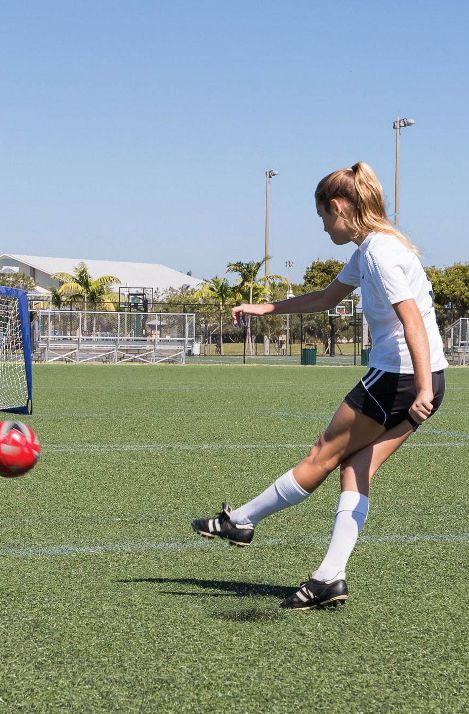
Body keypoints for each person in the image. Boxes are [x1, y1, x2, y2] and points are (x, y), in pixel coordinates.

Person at [192, 161, 447, 610]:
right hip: (428, 378)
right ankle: (329, 577)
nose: (324, 227)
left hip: (399, 379)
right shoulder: (371, 249)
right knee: (356, 468)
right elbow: (326, 298)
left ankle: (242, 521)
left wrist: (421, 388)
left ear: (338, 207)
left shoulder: (378, 253)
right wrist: (265, 308)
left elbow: (412, 321)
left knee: (321, 455)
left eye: (323, 217)